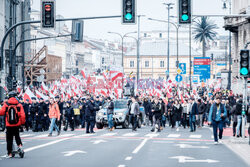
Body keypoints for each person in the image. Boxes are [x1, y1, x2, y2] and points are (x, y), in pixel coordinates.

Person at [0, 91, 26, 158]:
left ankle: (9, 154)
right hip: (17, 124)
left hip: (9, 125)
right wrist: (22, 124)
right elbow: (22, 115)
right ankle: (20, 146)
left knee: (9, 139)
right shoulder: (19, 104)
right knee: (17, 136)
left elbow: (2, 113)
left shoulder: (6, 104)